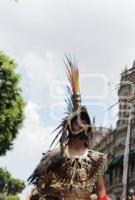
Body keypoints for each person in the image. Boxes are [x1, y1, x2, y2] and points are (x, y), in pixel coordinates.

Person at [28, 57, 108, 200]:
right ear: (69, 126)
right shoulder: (53, 156)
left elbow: (102, 193)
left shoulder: (97, 159)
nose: (82, 125)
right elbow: (39, 190)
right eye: (78, 122)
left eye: (85, 122)